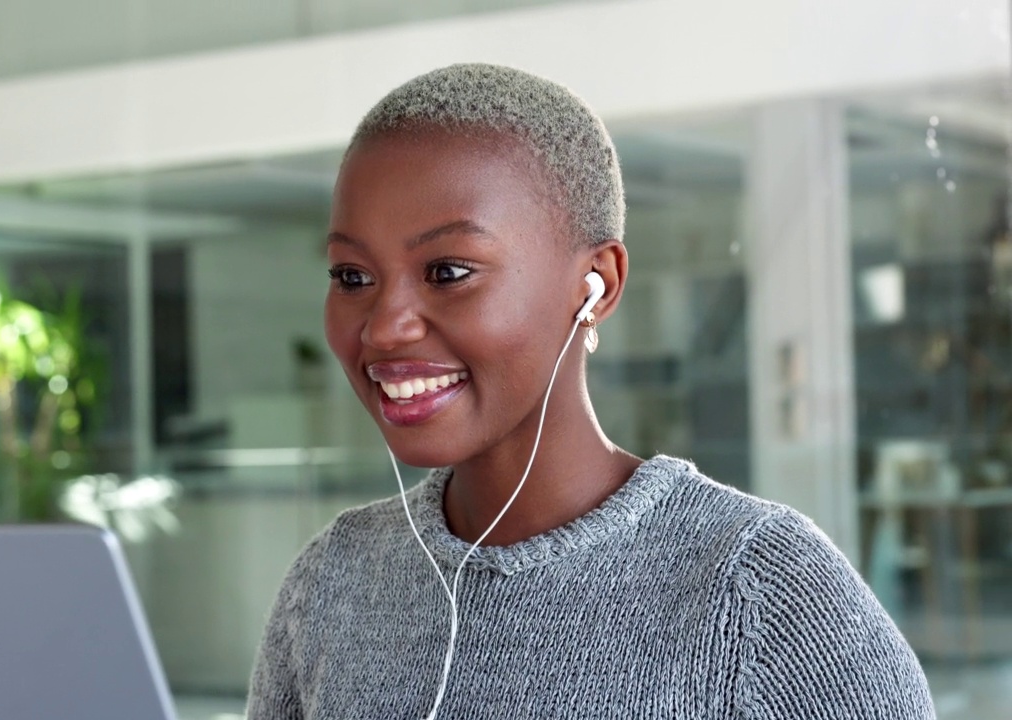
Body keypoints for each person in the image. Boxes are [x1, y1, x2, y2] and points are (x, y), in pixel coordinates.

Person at [247, 63, 934, 719]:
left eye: (448, 271)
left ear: (596, 283)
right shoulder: (334, 579)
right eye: (352, 277)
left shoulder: (761, 585)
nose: (386, 328)